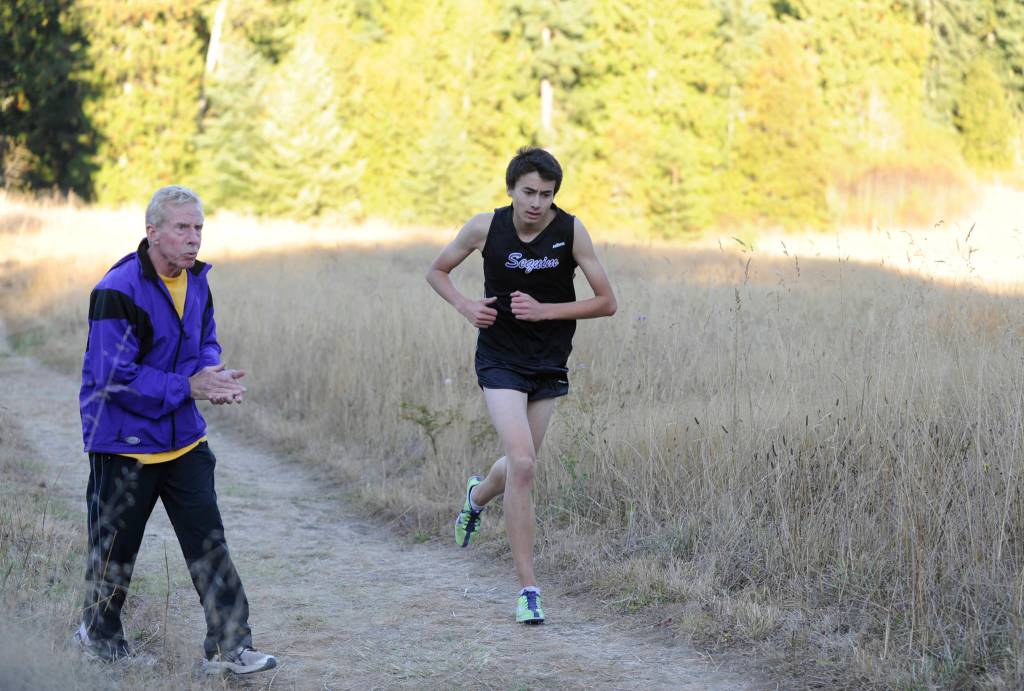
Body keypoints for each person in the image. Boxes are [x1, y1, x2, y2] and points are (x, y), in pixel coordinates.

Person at [76, 185, 276, 675]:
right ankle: (98, 639)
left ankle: (230, 650)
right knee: (115, 553)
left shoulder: (198, 280)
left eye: (198, 228)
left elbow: (206, 340)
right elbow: (112, 377)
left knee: (210, 546)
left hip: (184, 439)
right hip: (123, 443)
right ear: (153, 232)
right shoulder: (117, 290)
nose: (193, 238)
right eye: (182, 228)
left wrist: (212, 374)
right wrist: (190, 386)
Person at [426, 147, 617, 624]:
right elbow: (437, 271)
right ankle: (528, 589)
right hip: (500, 359)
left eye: (546, 194)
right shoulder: (484, 228)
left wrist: (546, 311)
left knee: (519, 464)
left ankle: (477, 496)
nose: (536, 203)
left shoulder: (570, 231)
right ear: (511, 189)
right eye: (528, 192)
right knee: (525, 464)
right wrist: (466, 306)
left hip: (548, 361)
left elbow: (607, 302)